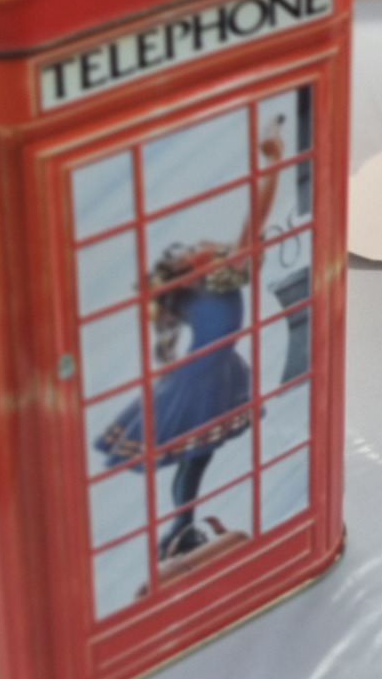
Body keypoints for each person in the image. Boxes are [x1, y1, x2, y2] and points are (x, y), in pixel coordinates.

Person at [97, 123, 284, 564]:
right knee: (195, 458)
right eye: (196, 249)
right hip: (203, 380)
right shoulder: (216, 278)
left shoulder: (203, 283)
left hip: (211, 373)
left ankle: (179, 530)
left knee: (197, 459)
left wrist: (164, 363)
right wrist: (274, 165)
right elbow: (253, 223)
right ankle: (179, 530)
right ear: (191, 272)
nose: (207, 245)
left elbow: (163, 342)